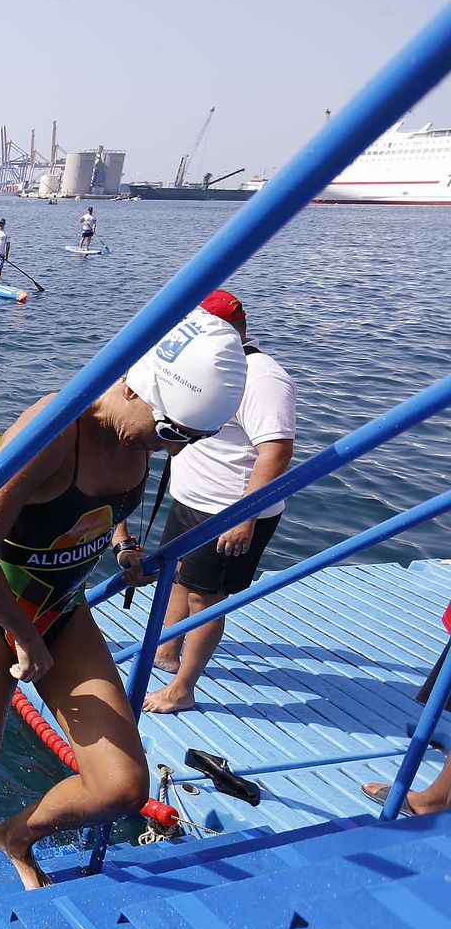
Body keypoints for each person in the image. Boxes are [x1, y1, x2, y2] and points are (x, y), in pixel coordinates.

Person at [0, 311, 247, 896]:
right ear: (134, 385)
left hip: (66, 613)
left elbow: (107, 511)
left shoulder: (140, 434)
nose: (175, 447)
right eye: (174, 432)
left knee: (122, 788)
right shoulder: (54, 429)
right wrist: (22, 634)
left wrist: (124, 547)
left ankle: (16, 836)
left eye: (193, 438)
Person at [146, 290, 296, 714]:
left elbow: (277, 449)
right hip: (192, 499)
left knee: (205, 598)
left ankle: (182, 688)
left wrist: (244, 517)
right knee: (176, 578)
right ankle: (166, 652)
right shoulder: (212, 367)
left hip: (229, 511)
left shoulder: (262, 377)